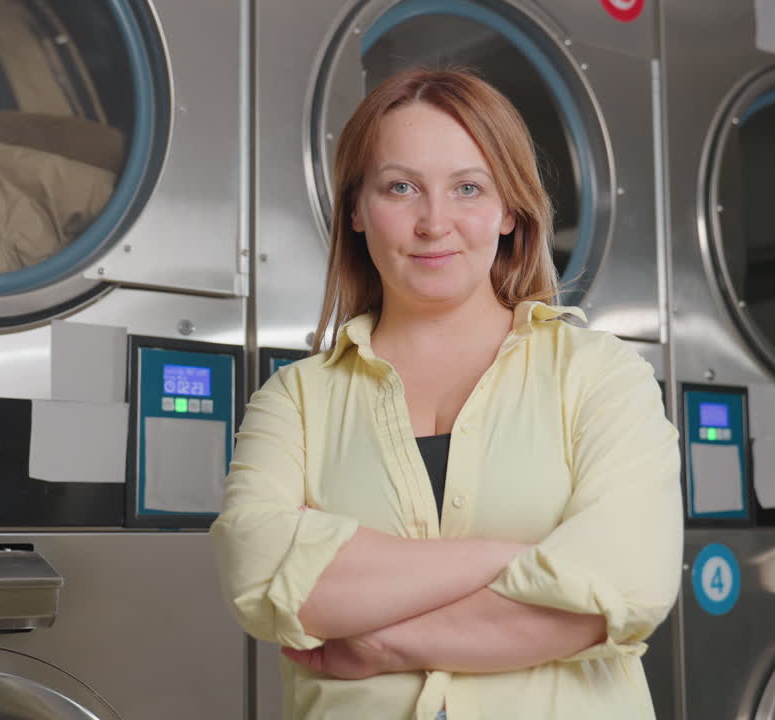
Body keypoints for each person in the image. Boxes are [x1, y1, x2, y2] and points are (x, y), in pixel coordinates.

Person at [212, 68, 681, 720]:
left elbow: (626, 585)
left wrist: (385, 641)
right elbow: (259, 576)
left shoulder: (600, 375)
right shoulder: (295, 400)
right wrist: (510, 560)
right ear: (356, 210)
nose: (435, 223)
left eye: (468, 188)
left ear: (509, 210)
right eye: (400, 188)